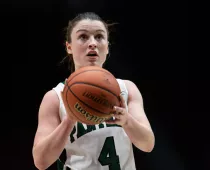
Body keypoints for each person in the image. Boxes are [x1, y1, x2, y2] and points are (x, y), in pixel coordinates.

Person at [32, 12, 155, 170]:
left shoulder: (127, 89)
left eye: (99, 37)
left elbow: (148, 144)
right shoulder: (55, 97)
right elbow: (41, 161)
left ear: (107, 46)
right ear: (69, 47)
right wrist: (69, 120)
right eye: (83, 37)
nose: (92, 43)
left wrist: (127, 121)